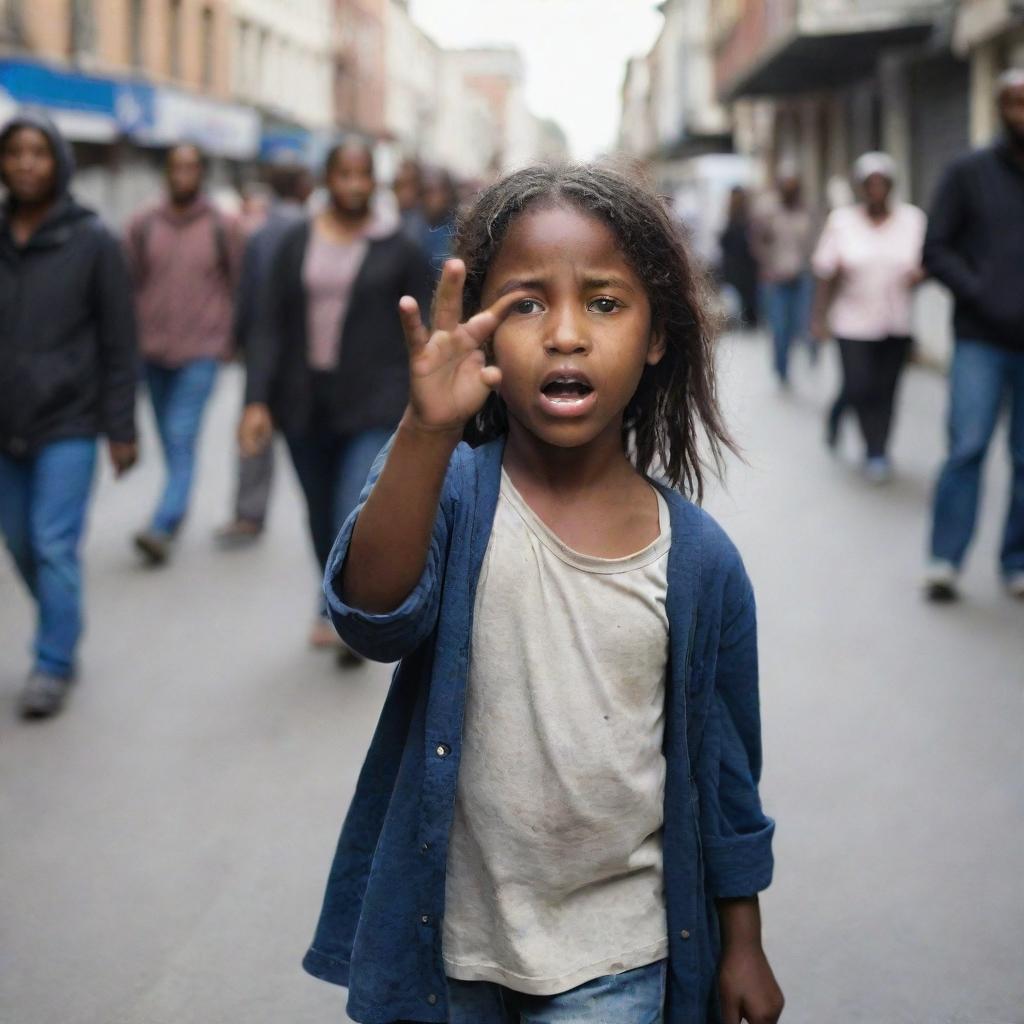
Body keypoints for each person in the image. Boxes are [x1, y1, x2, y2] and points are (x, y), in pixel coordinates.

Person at [301, 164, 783, 1024]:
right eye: (526, 304)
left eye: (604, 303)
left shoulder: (700, 563)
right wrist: (425, 430)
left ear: (659, 334)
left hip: (618, 951)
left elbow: (724, 770)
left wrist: (741, 939)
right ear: (482, 334)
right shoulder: (450, 489)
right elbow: (371, 619)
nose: (566, 333)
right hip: (451, 944)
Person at [241, 138, 433, 656]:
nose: (352, 185)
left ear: (375, 181)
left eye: (362, 174)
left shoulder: (400, 246)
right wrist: (256, 400)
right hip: (303, 401)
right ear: (327, 179)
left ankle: (347, 611)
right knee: (319, 510)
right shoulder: (295, 240)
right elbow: (268, 324)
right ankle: (329, 597)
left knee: (353, 505)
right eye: (342, 175)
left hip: (373, 400)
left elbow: (425, 328)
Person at [0, 110, 138, 718]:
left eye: (39, 152)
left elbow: (119, 341)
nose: (26, 163)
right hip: (6, 423)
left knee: (53, 543)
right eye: (15, 152)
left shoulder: (93, 241)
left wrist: (121, 428)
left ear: (59, 162)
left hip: (69, 422)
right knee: (21, 544)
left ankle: (52, 662)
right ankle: (64, 621)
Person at [923, 68, 1024, 602]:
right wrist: (980, 290)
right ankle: (944, 559)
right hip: (981, 339)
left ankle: (1016, 561)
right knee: (968, 447)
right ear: (998, 109)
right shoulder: (968, 173)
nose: (1021, 115)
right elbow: (935, 248)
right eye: (1013, 104)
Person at [125, 142, 244, 566]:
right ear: (166, 172)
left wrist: (232, 340)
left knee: (180, 434)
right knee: (171, 441)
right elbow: (128, 283)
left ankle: (163, 522)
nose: (183, 175)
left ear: (201, 173)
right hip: (152, 352)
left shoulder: (221, 225)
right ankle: (173, 510)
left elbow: (237, 282)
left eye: (192, 167)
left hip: (202, 351)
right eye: (176, 167)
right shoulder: (141, 223)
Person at [810, 152, 926, 482]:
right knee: (860, 385)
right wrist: (819, 318)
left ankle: (877, 451)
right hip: (852, 321)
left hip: (895, 321)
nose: (876, 189)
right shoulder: (842, 221)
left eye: (882, 183)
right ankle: (838, 414)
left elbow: (929, 260)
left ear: (892, 186)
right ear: (860, 187)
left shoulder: (912, 220)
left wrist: (922, 275)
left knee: (886, 390)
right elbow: (825, 272)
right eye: (869, 183)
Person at [215, 164, 313, 547]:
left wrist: (239, 341)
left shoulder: (261, 233)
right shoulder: (317, 229)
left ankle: (248, 513)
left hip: (263, 347)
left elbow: (246, 294)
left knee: (254, 427)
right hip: (303, 353)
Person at [752, 169, 815, 385]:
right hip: (775, 278)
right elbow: (756, 242)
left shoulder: (805, 211)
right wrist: (767, 265)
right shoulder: (767, 211)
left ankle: (798, 358)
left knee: (800, 325)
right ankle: (781, 367)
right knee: (779, 327)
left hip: (801, 276)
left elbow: (812, 243)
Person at [719, 185, 760, 328]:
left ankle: (747, 319)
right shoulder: (735, 216)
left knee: (744, 295)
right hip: (739, 264)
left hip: (742, 264)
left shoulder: (743, 217)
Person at [418, 165, 459, 276]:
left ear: (448, 193)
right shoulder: (415, 229)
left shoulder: (459, 231)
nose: (429, 199)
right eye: (424, 192)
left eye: (433, 191)